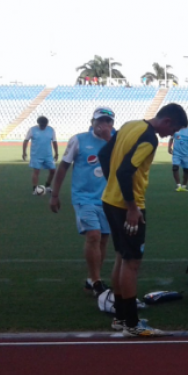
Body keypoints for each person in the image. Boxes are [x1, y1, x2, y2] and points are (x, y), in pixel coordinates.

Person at [99, 103, 188, 338]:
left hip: (110, 200)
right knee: (132, 263)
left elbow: (103, 154)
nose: (172, 134)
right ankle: (131, 322)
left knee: (121, 257)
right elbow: (125, 171)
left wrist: (113, 187)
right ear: (167, 121)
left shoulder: (130, 125)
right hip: (128, 207)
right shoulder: (149, 138)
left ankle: (121, 317)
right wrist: (131, 208)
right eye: (174, 129)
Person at [49, 107, 115, 296]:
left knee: (103, 239)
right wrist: (54, 195)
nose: (104, 125)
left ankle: (92, 278)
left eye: (108, 121)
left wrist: (109, 139)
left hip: (109, 198)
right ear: (92, 122)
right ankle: (96, 282)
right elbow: (63, 167)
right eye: (100, 121)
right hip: (84, 197)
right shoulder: (78, 140)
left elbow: (124, 161)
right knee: (93, 235)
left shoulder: (117, 139)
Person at [22, 116, 59, 195]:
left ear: (47, 124)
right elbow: (26, 141)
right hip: (36, 155)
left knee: (53, 171)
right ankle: (35, 189)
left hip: (48, 155)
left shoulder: (51, 130)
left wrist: (56, 153)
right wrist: (24, 152)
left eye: (44, 125)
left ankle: (48, 186)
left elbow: (54, 141)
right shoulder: (32, 130)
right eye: (41, 125)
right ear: (38, 123)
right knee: (36, 171)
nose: (43, 126)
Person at [168, 126, 188, 192]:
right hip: (176, 153)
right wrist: (169, 147)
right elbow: (171, 138)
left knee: (187, 170)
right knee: (175, 168)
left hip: (186, 155)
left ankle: (184, 186)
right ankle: (178, 185)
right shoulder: (175, 129)